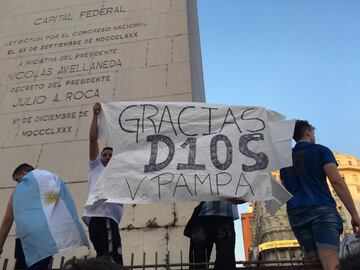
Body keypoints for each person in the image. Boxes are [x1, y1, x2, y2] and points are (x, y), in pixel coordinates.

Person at [280, 120, 360, 270]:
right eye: (314, 134)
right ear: (308, 133)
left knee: (314, 265)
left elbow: (286, 189)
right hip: (321, 210)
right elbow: (337, 181)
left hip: (296, 215)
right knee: (331, 264)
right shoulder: (320, 150)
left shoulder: (284, 160)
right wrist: (354, 214)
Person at [0, 163, 88, 270]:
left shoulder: (19, 191)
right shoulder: (50, 189)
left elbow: (8, 219)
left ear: (23, 174)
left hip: (27, 240)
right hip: (47, 239)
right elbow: (53, 205)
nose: (18, 184)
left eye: (18, 180)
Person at [82, 103, 124, 265]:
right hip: (102, 218)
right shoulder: (95, 168)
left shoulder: (119, 172)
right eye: (104, 154)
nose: (107, 156)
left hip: (109, 220)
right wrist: (95, 116)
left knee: (106, 257)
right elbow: (93, 139)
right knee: (111, 260)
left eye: (110, 155)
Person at [186, 199, 244, 270]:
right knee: (199, 260)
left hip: (220, 218)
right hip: (211, 217)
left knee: (200, 260)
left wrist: (241, 197)